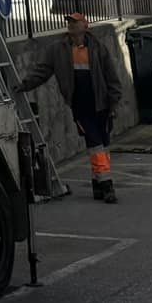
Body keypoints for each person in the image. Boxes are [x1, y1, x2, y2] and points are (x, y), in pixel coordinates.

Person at [17, 12, 124, 203]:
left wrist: (114, 102)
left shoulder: (98, 48)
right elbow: (43, 71)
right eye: (69, 22)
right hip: (80, 105)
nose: (71, 26)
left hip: (101, 103)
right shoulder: (58, 50)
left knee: (102, 144)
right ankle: (107, 186)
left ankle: (97, 185)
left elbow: (111, 76)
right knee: (95, 143)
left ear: (85, 25)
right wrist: (25, 85)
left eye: (75, 22)